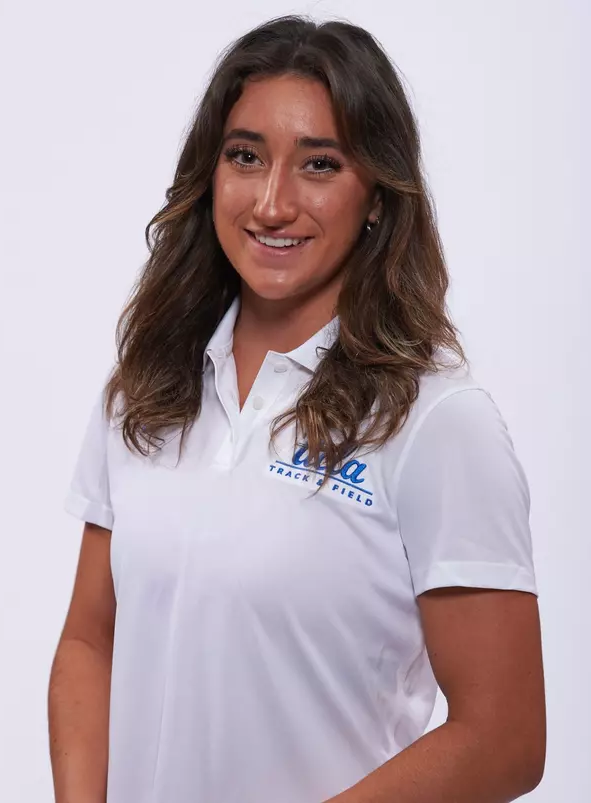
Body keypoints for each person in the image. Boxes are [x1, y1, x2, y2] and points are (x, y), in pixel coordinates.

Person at [48, 14, 546, 803]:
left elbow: (504, 736)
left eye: (319, 164)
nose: (273, 203)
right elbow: (89, 638)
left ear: (376, 196)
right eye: (245, 156)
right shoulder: (146, 387)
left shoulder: (436, 422)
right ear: (209, 174)